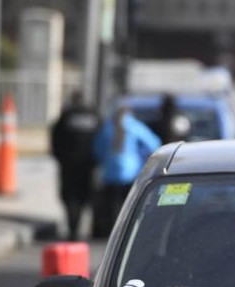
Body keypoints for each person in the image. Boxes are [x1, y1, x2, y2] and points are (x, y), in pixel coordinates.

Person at [91, 107, 161, 235]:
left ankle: (111, 231)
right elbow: (154, 143)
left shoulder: (107, 127)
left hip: (110, 174)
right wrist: (143, 157)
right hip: (131, 173)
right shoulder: (134, 126)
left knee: (112, 205)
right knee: (128, 204)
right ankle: (125, 231)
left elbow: (97, 150)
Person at [49, 91, 100, 239]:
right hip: (88, 166)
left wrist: (60, 158)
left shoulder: (66, 116)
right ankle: (76, 227)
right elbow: (101, 139)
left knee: (70, 197)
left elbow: (55, 138)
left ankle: (73, 228)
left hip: (69, 165)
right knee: (83, 197)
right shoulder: (93, 115)